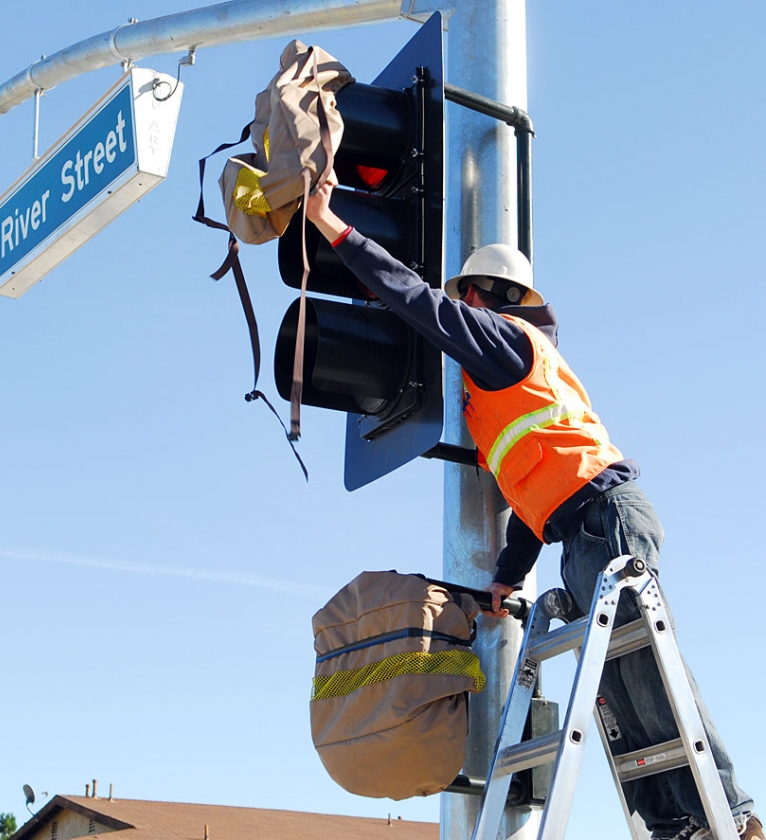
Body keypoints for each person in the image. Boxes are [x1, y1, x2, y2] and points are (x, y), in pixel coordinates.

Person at [304, 181, 760, 840]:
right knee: (619, 690)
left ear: (480, 297)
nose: (460, 310)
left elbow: (414, 301)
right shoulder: (507, 392)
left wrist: (331, 223)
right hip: (578, 527)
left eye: (466, 298)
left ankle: (733, 813)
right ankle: (677, 824)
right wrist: (509, 576)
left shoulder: (504, 344)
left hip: (607, 517)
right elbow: (533, 495)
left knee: (651, 677)